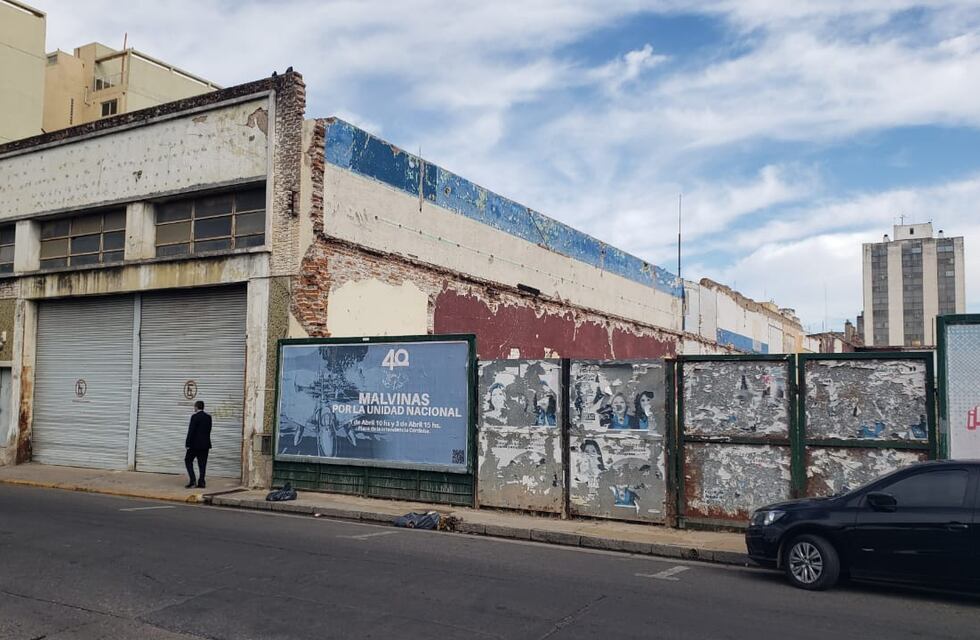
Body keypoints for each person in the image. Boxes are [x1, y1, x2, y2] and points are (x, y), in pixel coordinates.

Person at [185, 400, 212, 489]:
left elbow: (191, 431)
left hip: (194, 445)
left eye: (194, 406)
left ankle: (193, 481)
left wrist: (187, 443)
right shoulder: (208, 417)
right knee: (202, 464)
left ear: (196, 407)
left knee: (188, 460)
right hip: (205, 445)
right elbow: (209, 430)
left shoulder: (194, 417)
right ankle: (202, 482)